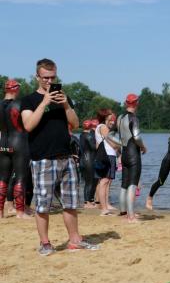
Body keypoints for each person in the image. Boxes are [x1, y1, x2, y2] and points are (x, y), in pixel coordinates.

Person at [19, 59, 98, 255]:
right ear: (37, 77)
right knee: (43, 205)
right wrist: (44, 102)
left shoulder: (64, 98)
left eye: (52, 77)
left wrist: (66, 105)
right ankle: (45, 243)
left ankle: (75, 240)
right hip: (42, 159)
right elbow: (28, 125)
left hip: (67, 157)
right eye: (45, 77)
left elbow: (75, 124)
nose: (49, 81)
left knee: (71, 203)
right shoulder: (28, 100)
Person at [0, 79, 30, 219]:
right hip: (19, 142)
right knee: (20, 177)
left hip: (3, 143)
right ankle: (20, 212)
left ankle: (0, 212)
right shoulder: (20, 104)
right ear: (16, 89)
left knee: (2, 178)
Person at [117, 94, 146, 222]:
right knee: (133, 184)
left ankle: (123, 213)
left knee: (124, 184)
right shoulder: (133, 118)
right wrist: (143, 147)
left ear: (126, 103)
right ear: (136, 103)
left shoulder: (120, 117)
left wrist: (120, 145)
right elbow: (137, 136)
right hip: (133, 154)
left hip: (124, 154)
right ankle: (131, 216)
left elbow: (110, 135)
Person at [93, 109, 119, 216]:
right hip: (107, 156)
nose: (111, 116)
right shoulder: (103, 127)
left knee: (105, 181)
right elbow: (112, 141)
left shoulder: (101, 127)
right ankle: (104, 209)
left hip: (106, 155)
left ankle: (105, 206)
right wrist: (123, 145)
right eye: (109, 114)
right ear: (105, 116)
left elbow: (98, 145)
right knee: (104, 182)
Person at [79, 119, 98, 208]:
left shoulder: (81, 135)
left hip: (83, 160)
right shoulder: (89, 136)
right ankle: (87, 202)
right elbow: (94, 147)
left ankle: (89, 201)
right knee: (90, 182)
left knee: (88, 181)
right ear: (90, 127)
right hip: (89, 160)